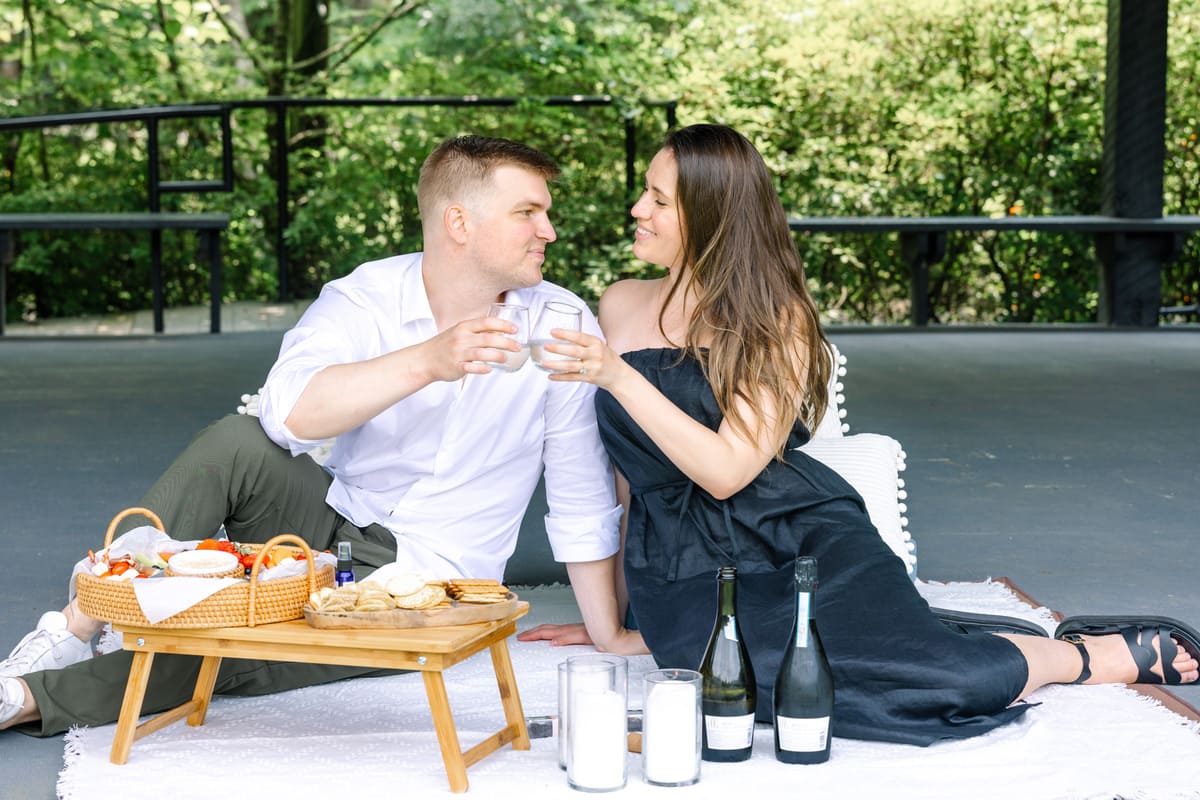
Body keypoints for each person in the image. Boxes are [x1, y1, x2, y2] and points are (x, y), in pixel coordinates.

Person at [519, 123, 1200, 744]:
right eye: (646, 194)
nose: (638, 210)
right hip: (681, 569)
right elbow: (624, 476)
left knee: (930, 684)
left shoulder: (774, 318)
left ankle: (1078, 657)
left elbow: (728, 471)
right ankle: (950, 633)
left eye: (659, 199)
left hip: (795, 542)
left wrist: (617, 375)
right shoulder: (619, 301)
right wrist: (620, 619)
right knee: (750, 695)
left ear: (710, 215)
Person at [0, 134, 640, 736]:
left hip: (429, 585)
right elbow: (287, 414)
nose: (548, 231)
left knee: (236, 646)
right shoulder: (367, 296)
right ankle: (72, 625)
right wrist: (428, 360)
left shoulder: (559, 321)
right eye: (528, 213)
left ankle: (27, 700)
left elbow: (580, 490)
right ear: (459, 224)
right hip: (328, 525)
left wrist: (606, 630)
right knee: (236, 442)